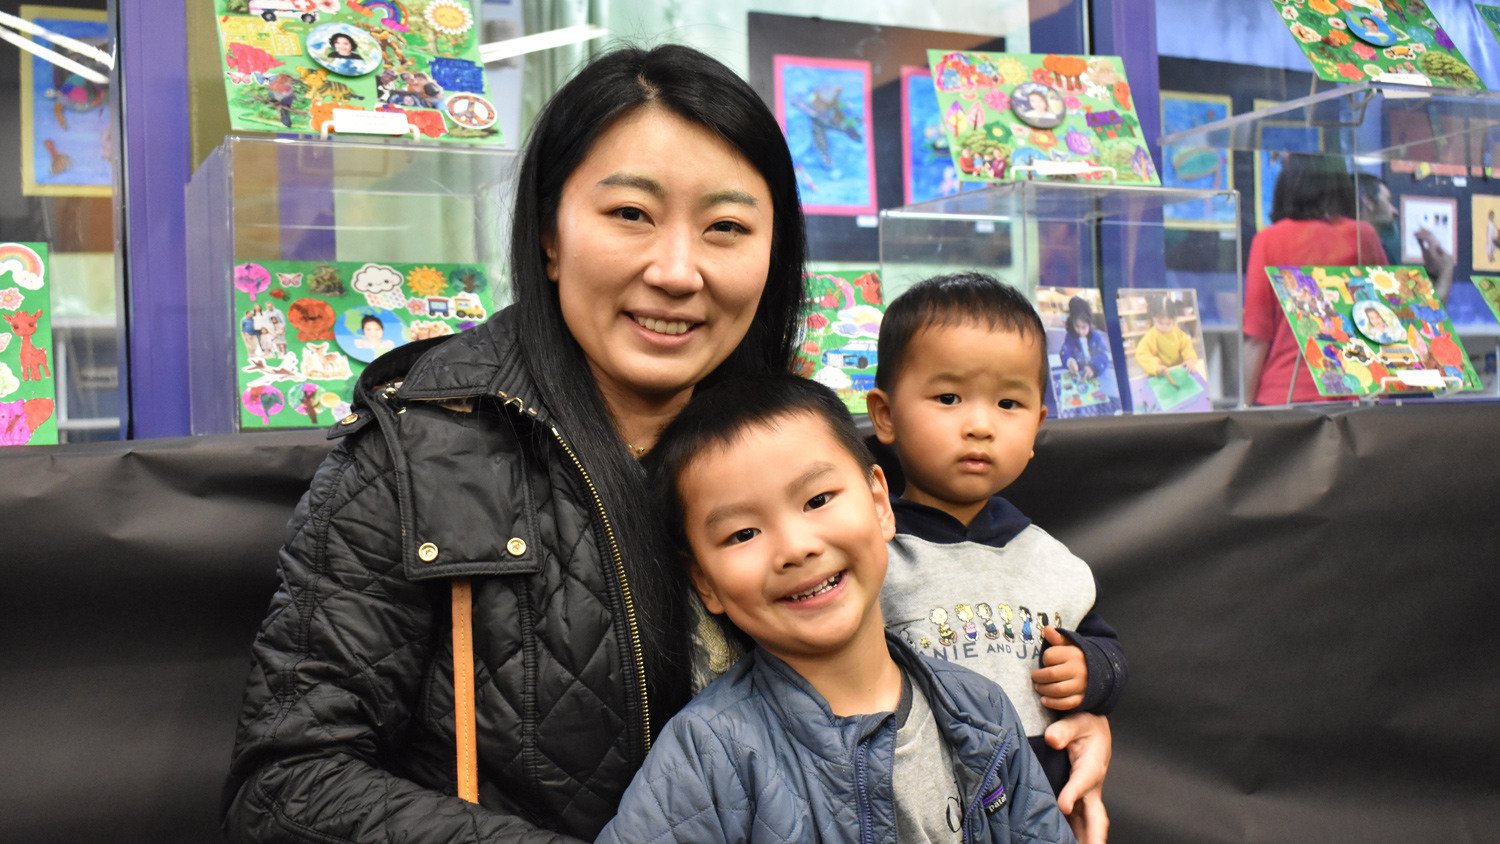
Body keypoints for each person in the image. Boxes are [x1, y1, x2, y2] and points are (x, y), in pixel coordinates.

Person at [222, 44, 809, 842]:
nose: (677, 270)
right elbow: (288, 786)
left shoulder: (805, 445)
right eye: (630, 214)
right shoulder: (418, 448)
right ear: (549, 235)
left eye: (727, 227)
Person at [599, 375, 1074, 842]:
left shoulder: (981, 709)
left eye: (818, 499)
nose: (795, 548)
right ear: (705, 581)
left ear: (878, 502)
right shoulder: (709, 754)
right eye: (743, 534)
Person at [865, 273, 1125, 843]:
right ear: (885, 415)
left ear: (1036, 425)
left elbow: (1106, 649)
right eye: (949, 397)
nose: (979, 425)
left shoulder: (1052, 560)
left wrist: (1089, 671)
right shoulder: (868, 556)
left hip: (1036, 809)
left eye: (1009, 403)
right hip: (911, 808)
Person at [1248, 158, 1389, 404]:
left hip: (1282, 396)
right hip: (1352, 394)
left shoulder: (1267, 240)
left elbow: (1256, 336)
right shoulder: (1363, 235)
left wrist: (1244, 409)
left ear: (1286, 187)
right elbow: (1384, 320)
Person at [1058, 295, 1121, 415]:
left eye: (1084, 327)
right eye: (1077, 326)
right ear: (1072, 323)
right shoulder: (1070, 336)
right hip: (1080, 375)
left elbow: (1103, 355)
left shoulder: (1096, 337)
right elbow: (1064, 352)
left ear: (1090, 324)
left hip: (1097, 373)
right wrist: (1070, 361)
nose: (1080, 331)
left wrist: (1093, 367)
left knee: (1110, 394)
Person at [1134, 297, 1202, 386]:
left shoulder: (1178, 333)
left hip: (1178, 370)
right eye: (1160, 323)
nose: (1164, 327)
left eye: (1168, 323)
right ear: (1153, 318)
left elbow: (1187, 347)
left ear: (1174, 320)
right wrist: (1156, 367)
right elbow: (1141, 354)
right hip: (1160, 374)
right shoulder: (1150, 336)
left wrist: (1189, 359)